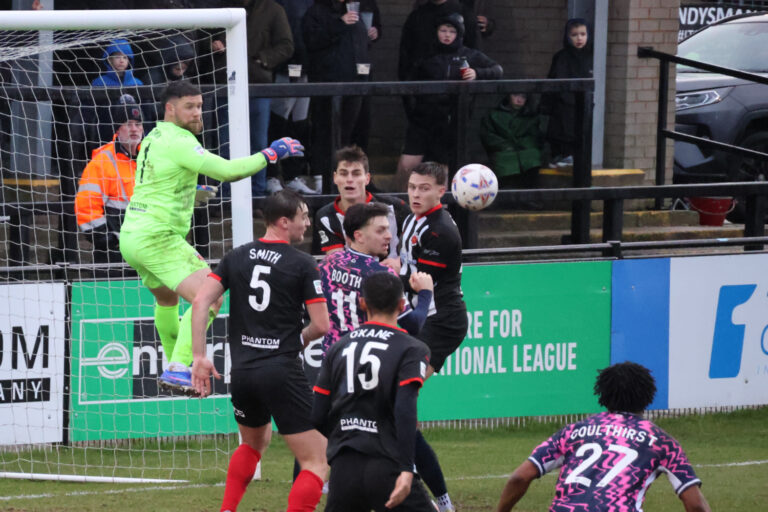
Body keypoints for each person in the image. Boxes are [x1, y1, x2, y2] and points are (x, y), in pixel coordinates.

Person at [119, 80, 305, 392]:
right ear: (170, 108)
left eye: (199, 106)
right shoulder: (179, 140)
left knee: (167, 299)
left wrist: (193, 193)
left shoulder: (152, 138)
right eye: (189, 106)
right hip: (157, 236)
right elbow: (229, 171)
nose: (196, 112)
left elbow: (157, 183)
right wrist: (271, 154)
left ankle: (173, 363)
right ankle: (179, 367)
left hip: (132, 234)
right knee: (212, 294)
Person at [190, 189, 329, 512]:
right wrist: (299, 340)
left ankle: (227, 510)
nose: (307, 223)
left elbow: (200, 302)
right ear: (284, 222)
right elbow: (321, 325)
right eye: (303, 217)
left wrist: (199, 356)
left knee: (254, 444)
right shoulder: (302, 263)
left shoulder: (236, 256)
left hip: (243, 373)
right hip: (281, 371)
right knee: (317, 460)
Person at [496, 362, 712, 512]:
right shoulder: (661, 442)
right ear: (648, 396)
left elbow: (520, 477)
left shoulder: (573, 431)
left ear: (603, 395)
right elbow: (695, 505)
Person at [311, 271, 434, 512]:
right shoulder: (412, 348)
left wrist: (346, 435)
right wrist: (407, 468)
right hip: (387, 465)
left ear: (362, 303)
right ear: (401, 305)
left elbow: (316, 415)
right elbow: (405, 410)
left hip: (344, 467)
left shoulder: (338, 347)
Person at [398, 162, 467, 512]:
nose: (415, 193)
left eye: (424, 188)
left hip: (442, 322)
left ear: (441, 191)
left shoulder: (441, 231)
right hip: (424, 318)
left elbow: (417, 283)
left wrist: (378, 274)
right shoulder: (413, 219)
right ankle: (434, 494)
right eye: (412, 186)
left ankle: (432, 495)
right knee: (396, 405)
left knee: (398, 401)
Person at [395, 13, 502, 189]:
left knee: (441, 169)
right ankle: (398, 206)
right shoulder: (425, 55)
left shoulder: (469, 55)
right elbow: (408, 82)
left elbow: (497, 70)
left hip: (449, 121)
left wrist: (477, 73)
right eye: (443, 30)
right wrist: (414, 108)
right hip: (422, 119)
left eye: (451, 31)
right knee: (407, 165)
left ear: (459, 34)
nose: (446, 35)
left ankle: (440, 210)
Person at [317, 202, 434, 355]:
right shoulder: (382, 275)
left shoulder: (327, 263)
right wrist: (425, 292)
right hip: (365, 364)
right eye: (381, 231)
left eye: (388, 228)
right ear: (359, 236)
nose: (389, 236)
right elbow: (412, 324)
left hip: (331, 361)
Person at [302, 0, 371, 182]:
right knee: (326, 132)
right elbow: (312, 41)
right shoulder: (316, 11)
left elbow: (360, 45)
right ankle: (323, 178)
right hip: (328, 83)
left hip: (355, 81)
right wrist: (339, 24)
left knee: (348, 133)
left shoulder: (355, 10)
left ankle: (346, 176)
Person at [75, 101, 143, 268]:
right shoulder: (102, 162)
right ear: (118, 129)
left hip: (148, 247)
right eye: (128, 124)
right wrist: (106, 239)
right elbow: (86, 206)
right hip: (113, 253)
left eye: (138, 124)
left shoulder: (153, 157)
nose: (134, 129)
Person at [313, 145, 408, 260]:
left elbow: (417, 244)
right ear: (335, 178)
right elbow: (337, 261)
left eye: (356, 174)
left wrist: (400, 262)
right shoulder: (325, 216)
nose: (349, 179)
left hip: (393, 275)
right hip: (352, 275)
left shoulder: (396, 207)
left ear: (367, 179)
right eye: (343, 173)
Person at [544, 18, 593, 168]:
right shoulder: (561, 57)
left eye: (583, 34)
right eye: (575, 35)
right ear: (567, 36)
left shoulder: (592, 56)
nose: (579, 38)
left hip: (584, 105)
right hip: (564, 106)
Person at [480, 92, 544, 189]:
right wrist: (505, 146)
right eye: (515, 95)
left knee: (532, 160)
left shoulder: (531, 117)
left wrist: (523, 144)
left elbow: (535, 136)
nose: (519, 100)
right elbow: (488, 136)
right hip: (504, 152)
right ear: (508, 96)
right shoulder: (493, 115)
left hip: (526, 153)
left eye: (523, 97)